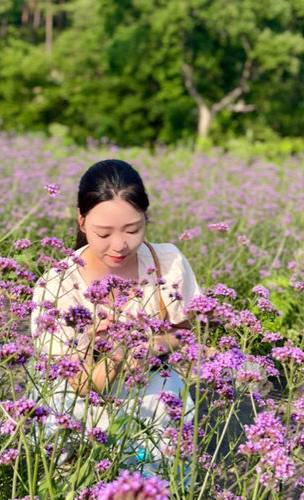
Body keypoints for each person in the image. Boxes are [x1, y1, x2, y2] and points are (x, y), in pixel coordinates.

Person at [30, 159, 202, 472]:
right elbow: (77, 386)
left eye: (133, 229)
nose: (120, 245)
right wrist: (108, 352)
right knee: (70, 469)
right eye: (104, 233)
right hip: (79, 398)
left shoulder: (167, 262)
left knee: (156, 476)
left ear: (146, 218)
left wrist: (149, 346)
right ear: (82, 223)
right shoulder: (56, 285)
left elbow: (185, 331)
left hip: (149, 391)